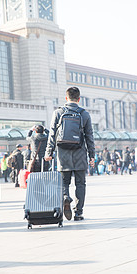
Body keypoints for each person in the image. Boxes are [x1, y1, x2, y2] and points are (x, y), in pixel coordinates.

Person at [45, 87, 95, 221]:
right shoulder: (84, 114)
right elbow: (89, 136)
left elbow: (52, 134)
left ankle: (66, 197)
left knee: (64, 182)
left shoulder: (58, 112)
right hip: (80, 153)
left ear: (66, 98)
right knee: (80, 184)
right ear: (79, 99)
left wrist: (48, 152)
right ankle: (78, 213)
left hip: (63, 153)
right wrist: (92, 156)